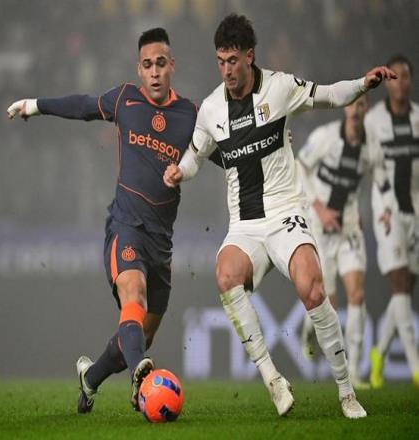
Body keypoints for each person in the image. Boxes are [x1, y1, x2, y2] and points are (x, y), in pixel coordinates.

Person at [164, 13, 396, 419]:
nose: (226, 70)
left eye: (233, 60)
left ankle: (346, 392)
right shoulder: (212, 108)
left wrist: (363, 83)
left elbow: (329, 95)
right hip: (245, 225)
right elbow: (196, 156)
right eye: (220, 61)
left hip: (285, 212)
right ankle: (273, 380)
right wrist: (180, 172)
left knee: (313, 289)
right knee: (225, 275)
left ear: (250, 56)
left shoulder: (280, 87)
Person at [7, 28, 198, 413]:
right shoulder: (125, 99)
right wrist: (34, 105)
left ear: (172, 66)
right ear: (139, 69)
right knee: (133, 296)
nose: (155, 72)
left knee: (139, 336)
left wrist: (274, 147)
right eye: (147, 65)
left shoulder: (190, 115)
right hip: (125, 227)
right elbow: (83, 106)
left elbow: (223, 152)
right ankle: (142, 379)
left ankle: (91, 378)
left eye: (161, 63)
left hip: (162, 242)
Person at [297, 94, 393, 389]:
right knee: (327, 300)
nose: (356, 109)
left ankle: (354, 371)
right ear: (345, 107)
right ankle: (308, 330)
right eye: (352, 103)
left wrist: (384, 209)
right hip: (319, 226)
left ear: (366, 110)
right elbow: (300, 167)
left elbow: (381, 180)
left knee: (357, 295)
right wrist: (319, 208)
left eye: (362, 104)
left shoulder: (371, 145)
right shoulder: (325, 137)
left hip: (349, 227)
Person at [365, 54, 419, 389]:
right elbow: (365, 161)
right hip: (387, 207)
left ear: (410, 81)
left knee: (406, 290)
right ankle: (416, 367)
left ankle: (379, 353)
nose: (400, 82)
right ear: (387, 83)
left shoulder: (418, 119)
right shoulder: (374, 121)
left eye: (405, 76)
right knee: (399, 282)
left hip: (414, 206)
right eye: (394, 76)